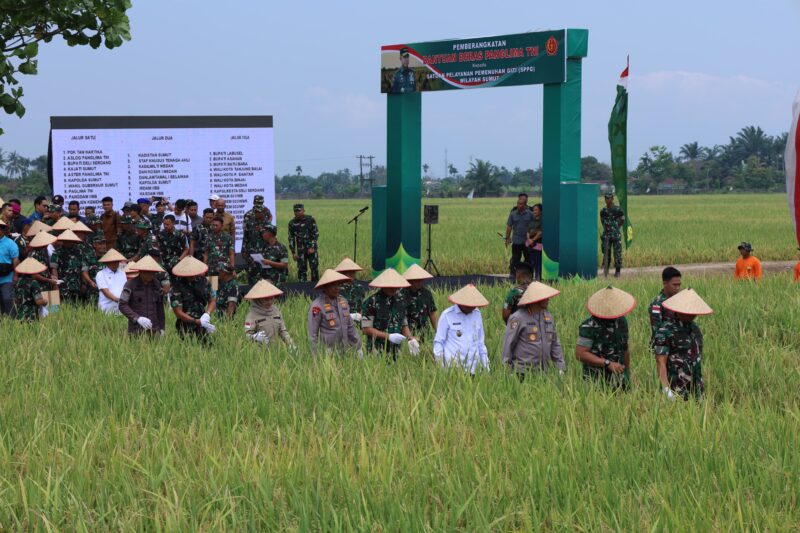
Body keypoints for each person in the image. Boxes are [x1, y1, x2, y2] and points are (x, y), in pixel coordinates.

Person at [653, 288, 713, 401]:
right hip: (676, 387)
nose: (693, 315)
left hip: (697, 388)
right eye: (689, 312)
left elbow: (698, 357)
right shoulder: (665, 330)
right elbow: (660, 361)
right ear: (679, 310)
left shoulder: (695, 329)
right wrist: (666, 390)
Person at [575, 286, 636, 390]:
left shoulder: (622, 322)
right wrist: (607, 363)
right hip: (595, 382)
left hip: (620, 379)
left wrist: (628, 374)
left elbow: (625, 349)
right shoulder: (589, 326)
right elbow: (580, 354)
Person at [501, 281, 564, 378]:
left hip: (543, 373)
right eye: (545, 297)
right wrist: (506, 371)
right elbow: (508, 344)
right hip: (521, 373)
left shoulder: (548, 317)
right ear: (536, 299)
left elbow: (555, 343)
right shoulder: (518, 318)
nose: (548, 299)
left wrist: (560, 368)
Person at [432, 284, 490, 375]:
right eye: (468, 306)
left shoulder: (477, 314)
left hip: (474, 369)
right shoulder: (447, 315)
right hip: (454, 370)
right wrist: (442, 370)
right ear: (460, 303)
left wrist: (487, 369)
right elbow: (439, 342)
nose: (472, 308)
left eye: (474, 305)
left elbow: (480, 343)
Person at [362, 268, 416, 358]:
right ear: (383, 285)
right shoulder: (371, 302)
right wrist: (388, 336)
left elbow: (403, 324)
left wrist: (410, 338)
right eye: (390, 285)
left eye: (395, 285)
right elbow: (366, 329)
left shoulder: (400, 301)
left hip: (396, 351)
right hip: (377, 351)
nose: (393, 288)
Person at [308, 269, 362, 356]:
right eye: (333, 285)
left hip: (345, 350)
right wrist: (315, 357)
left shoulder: (343, 301)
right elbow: (312, 334)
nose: (337, 288)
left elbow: (351, 327)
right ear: (325, 287)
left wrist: (358, 347)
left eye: (338, 285)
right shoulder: (317, 306)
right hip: (328, 352)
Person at [170, 256, 217, 340]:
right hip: (185, 326)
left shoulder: (204, 281)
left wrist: (207, 314)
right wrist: (196, 321)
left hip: (203, 322)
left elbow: (212, 300)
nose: (191, 275)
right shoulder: (177, 286)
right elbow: (178, 312)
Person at [118, 255, 167, 335]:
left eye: (152, 272)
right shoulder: (130, 285)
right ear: (141, 271)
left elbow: (160, 307)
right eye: (148, 272)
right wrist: (137, 318)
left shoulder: (156, 284)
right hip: (136, 330)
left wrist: (162, 328)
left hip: (154, 329)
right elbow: (122, 305)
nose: (151, 275)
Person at [243, 279, 293, 348]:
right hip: (259, 354)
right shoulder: (252, 316)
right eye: (266, 299)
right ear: (258, 299)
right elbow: (246, 336)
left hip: (274, 351)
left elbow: (283, 331)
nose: (269, 302)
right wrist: (254, 337)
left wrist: (291, 345)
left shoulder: (276, 311)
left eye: (271, 298)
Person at [400, 264, 438, 340]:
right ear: (409, 280)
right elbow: (401, 318)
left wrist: (438, 332)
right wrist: (409, 337)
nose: (420, 282)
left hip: (425, 333)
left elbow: (432, 313)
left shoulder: (426, 293)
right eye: (416, 280)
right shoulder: (400, 295)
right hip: (407, 334)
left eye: (421, 279)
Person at [649, 266, 682, 348]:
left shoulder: (679, 300)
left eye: (679, 285)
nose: (677, 288)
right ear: (665, 283)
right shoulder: (657, 304)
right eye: (674, 285)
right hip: (662, 347)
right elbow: (657, 329)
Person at [287, 203, 319, 282]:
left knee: (314, 268)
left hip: (311, 248)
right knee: (301, 269)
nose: (297, 213)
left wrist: (312, 246)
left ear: (303, 210)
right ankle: (303, 287)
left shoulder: (310, 219)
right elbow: (291, 238)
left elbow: (315, 234)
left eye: (299, 211)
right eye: (295, 211)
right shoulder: (292, 223)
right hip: (300, 250)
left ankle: (315, 286)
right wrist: (293, 252)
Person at [50, 229, 84, 303]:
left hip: (76, 285)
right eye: (66, 240)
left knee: (77, 306)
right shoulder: (57, 253)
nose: (68, 242)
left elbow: (82, 268)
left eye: (70, 240)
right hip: (63, 285)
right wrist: (56, 284)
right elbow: (54, 269)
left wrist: (83, 283)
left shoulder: (79, 252)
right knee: (64, 306)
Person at [504, 193, 534, 278]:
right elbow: (509, 226)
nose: (519, 205)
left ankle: (528, 275)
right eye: (518, 204)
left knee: (528, 259)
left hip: (527, 241)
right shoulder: (513, 214)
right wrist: (507, 238)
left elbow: (534, 225)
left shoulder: (530, 214)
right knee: (515, 258)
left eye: (521, 204)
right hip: (516, 240)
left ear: (525, 205)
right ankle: (513, 274)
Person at [93, 248, 128, 314]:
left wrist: (125, 301)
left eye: (116, 261)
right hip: (106, 309)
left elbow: (125, 288)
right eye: (112, 262)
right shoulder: (101, 274)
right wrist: (119, 300)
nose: (115, 264)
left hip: (120, 309)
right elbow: (105, 292)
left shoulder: (122, 273)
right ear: (107, 262)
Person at [600, 191, 625, 278]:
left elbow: (622, 220)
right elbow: (602, 221)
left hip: (615, 235)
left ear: (612, 199)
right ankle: (606, 270)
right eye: (606, 198)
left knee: (617, 253)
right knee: (606, 253)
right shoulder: (603, 211)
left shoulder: (618, 210)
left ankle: (617, 271)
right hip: (606, 235)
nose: (607, 200)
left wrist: (616, 228)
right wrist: (607, 229)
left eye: (609, 198)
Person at [0, 219, 20, 315]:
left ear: (3, 230)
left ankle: (13, 320)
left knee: (7, 298)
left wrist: (15, 276)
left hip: (7, 277)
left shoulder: (11, 244)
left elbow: (15, 260)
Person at [528, 203, 543, 280]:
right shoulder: (532, 220)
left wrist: (533, 239)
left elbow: (540, 233)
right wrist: (529, 239)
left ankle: (538, 278)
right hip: (530, 245)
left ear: (540, 211)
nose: (534, 211)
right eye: (533, 210)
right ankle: (532, 278)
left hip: (538, 245)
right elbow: (528, 231)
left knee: (538, 263)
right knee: (531, 262)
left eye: (536, 210)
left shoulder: (542, 221)